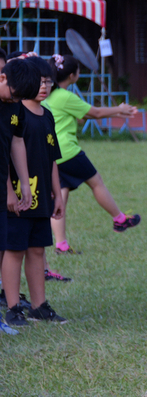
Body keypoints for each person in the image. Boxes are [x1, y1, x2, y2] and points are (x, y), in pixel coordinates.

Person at [44, 54, 140, 255]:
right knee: (96, 182)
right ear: (72, 75)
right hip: (68, 152)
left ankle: (61, 245)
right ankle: (119, 219)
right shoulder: (65, 96)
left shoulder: (48, 96)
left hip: (52, 154)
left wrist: (120, 113)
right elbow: (95, 113)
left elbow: (86, 114)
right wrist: (120, 108)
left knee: (61, 197)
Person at [2, 56, 67, 327]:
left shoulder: (46, 115)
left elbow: (51, 157)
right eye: (39, 82)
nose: (43, 86)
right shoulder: (15, 109)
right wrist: (14, 190)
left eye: (47, 81)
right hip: (16, 196)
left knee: (37, 249)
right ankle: (13, 306)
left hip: (37, 194)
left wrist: (56, 192)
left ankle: (39, 306)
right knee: (14, 249)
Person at [0, 58, 40, 334]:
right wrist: (8, 192)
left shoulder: (14, 105)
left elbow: (16, 141)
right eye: (14, 94)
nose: (15, 101)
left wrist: (24, 185)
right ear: (2, 78)